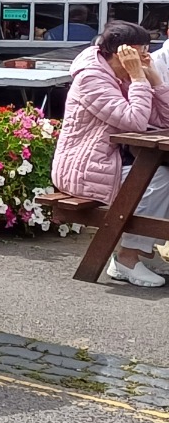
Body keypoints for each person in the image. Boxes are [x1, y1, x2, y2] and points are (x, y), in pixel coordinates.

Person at [53, 21, 169, 286]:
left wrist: (155, 80)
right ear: (121, 53)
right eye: (140, 53)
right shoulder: (91, 79)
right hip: (84, 169)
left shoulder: (122, 77)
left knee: (162, 174)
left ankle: (143, 251)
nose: (145, 59)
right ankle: (127, 258)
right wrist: (138, 78)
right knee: (160, 179)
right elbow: (135, 121)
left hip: (112, 161)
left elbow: (164, 120)